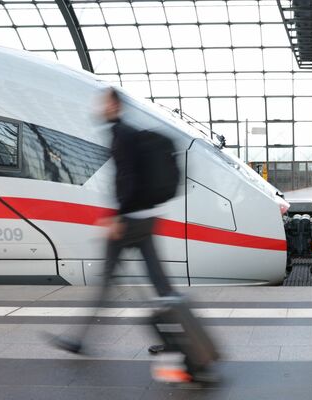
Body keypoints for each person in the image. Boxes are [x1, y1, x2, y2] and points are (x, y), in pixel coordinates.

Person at [53, 88, 215, 384]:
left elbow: (126, 177)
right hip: (146, 218)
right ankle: (180, 337)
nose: (100, 107)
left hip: (128, 221)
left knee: (106, 284)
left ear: (113, 105)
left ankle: (80, 339)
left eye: (104, 102)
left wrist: (117, 216)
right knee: (160, 283)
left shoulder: (121, 135)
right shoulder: (132, 133)